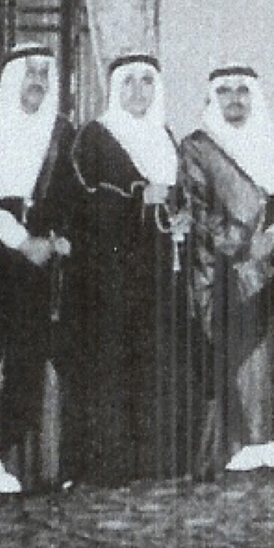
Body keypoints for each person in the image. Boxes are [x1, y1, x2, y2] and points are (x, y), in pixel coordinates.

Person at [0, 44, 77, 495]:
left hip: (45, 258)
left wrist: (54, 240)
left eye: (45, 74)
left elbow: (70, 194)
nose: (38, 82)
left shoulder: (62, 131)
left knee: (42, 355)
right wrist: (21, 241)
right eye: (29, 73)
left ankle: (35, 463)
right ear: (10, 78)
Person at [69, 52, 187, 486]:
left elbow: (179, 193)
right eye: (130, 83)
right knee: (112, 362)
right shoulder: (95, 137)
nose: (139, 92)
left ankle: (154, 461)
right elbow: (88, 198)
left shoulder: (164, 135)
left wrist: (182, 214)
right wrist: (142, 196)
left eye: (146, 82)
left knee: (157, 359)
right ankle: (110, 466)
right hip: (111, 271)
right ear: (115, 89)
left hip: (158, 267)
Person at [180, 64, 274, 475]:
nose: (234, 98)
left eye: (242, 91)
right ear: (213, 98)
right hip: (222, 272)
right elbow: (198, 213)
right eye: (225, 91)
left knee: (273, 355)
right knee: (238, 356)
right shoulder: (196, 148)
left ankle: (273, 440)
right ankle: (237, 444)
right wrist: (248, 244)